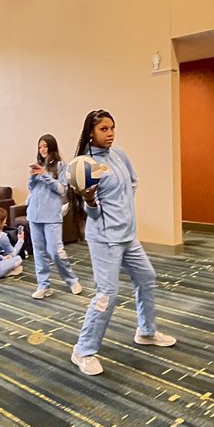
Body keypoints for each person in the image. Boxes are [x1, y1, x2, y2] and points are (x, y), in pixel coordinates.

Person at [70, 109, 175, 376]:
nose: (110, 134)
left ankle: (146, 332)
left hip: (128, 235)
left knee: (146, 277)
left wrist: (122, 208)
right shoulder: (85, 164)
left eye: (112, 128)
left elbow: (133, 182)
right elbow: (90, 210)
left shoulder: (120, 154)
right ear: (91, 132)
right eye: (104, 129)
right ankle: (83, 350)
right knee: (107, 294)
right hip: (105, 239)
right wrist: (91, 201)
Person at [27, 134, 82, 300]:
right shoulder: (38, 165)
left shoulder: (60, 166)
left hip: (51, 215)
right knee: (39, 252)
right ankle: (43, 285)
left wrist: (44, 175)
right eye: (40, 147)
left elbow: (61, 190)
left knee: (55, 251)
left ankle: (72, 280)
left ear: (51, 147)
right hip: (34, 214)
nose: (42, 150)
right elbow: (31, 189)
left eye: (45, 146)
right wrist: (32, 177)